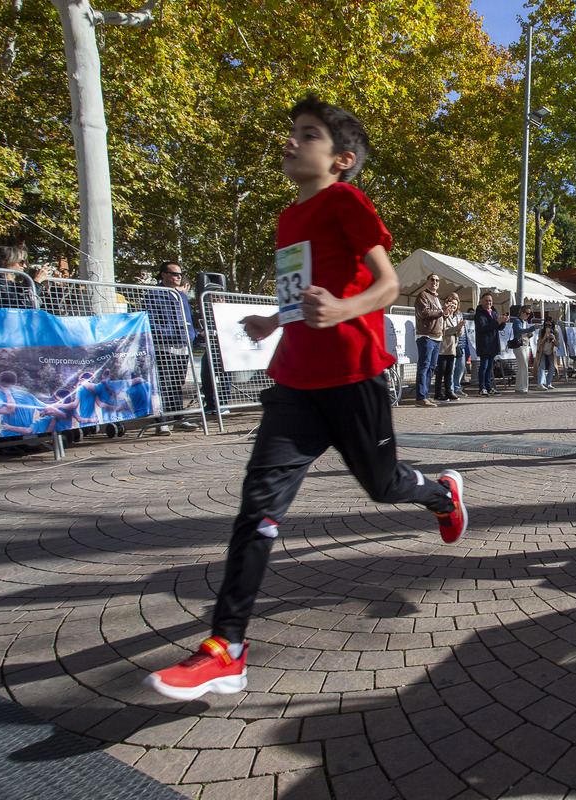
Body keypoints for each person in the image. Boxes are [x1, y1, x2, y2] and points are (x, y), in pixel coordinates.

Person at [145, 93, 467, 702]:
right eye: (292, 131)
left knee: (382, 485)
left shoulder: (346, 201)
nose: (292, 141)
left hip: (353, 377)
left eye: (308, 134)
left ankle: (440, 493)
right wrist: (274, 321)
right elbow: (301, 295)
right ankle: (226, 648)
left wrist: (345, 309)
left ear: (341, 159)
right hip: (295, 381)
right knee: (257, 508)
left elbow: (389, 282)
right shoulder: (288, 219)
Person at [142, 260, 199, 433]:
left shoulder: (181, 295)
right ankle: (162, 421)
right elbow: (151, 322)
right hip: (164, 347)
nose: (179, 277)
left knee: (177, 384)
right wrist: (171, 332)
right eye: (175, 274)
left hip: (182, 346)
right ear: (164, 275)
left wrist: (194, 334)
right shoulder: (154, 294)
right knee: (164, 385)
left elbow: (188, 319)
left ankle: (179, 418)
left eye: (180, 274)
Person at [413, 273, 444, 407]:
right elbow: (424, 312)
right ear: (427, 281)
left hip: (436, 336)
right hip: (426, 335)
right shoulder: (422, 295)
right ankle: (420, 397)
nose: (435, 282)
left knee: (431, 367)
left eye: (437, 280)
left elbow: (439, 315)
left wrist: (444, 312)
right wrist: (441, 312)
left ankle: (425, 394)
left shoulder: (436, 297)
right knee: (424, 366)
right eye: (432, 280)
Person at [473, 292, 505, 397]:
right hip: (484, 344)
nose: (488, 302)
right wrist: (496, 322)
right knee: (484, 366)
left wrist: (503, 322)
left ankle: (489, 386)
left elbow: (499, 327)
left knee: (490, 367)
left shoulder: (494, 312)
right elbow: (482, 327)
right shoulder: (479, 313)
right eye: (486, 300)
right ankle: (482, 388)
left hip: (493, 344)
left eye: (490, 300)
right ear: (482, 301)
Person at [434, 292, 462, 402]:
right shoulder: (443, 315)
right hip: (443, 347)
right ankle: (437, 392)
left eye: (455, 304)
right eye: (452, 304)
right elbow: (443, 330)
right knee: (441, 371)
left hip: (452, 348)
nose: (453, 306)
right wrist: (456, 328)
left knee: (449, 371)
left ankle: (448, 391)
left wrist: (460, 327)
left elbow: (459, 333)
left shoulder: (456, 317)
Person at [509, 304, 538, 394]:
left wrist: (530, 332)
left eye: (529, 314)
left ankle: (520, 387)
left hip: (525, 344)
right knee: (523, 366)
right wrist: (531, 328)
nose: (528, 315)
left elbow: (527, 334)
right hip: (519, 345)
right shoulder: (517, 321)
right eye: (526, 313)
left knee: (523, 366)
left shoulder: (525, 322)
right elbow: (519, 331)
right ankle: (523, 387)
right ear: (521, 312)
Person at [536, 318, 559, 390]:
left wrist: (554, 339)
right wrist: (544, 338)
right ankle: (540, 383)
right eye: (546, 325)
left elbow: (558, 344)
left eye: (549, 325)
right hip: (542, 351)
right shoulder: (541, 331)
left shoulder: (555, 331)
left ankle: (548, 383)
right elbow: (539, 343)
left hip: (551, 351)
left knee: (552, 366)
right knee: (541, 366)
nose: (548, 327)